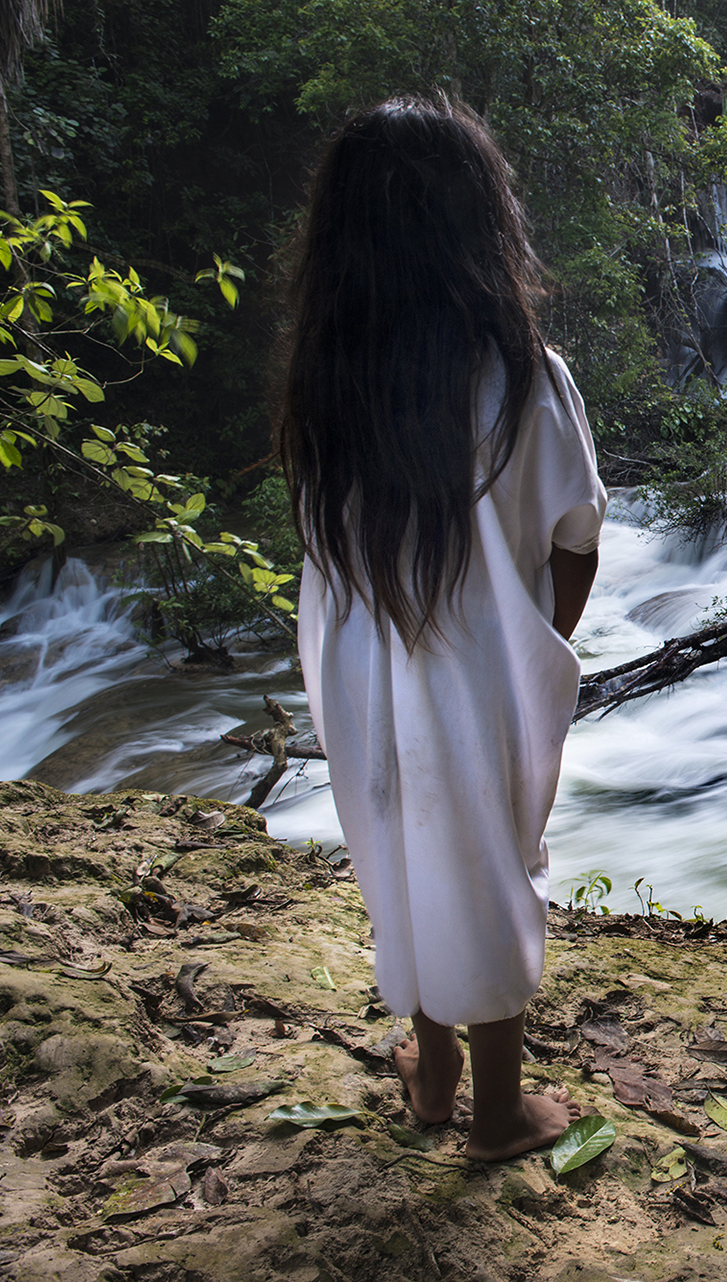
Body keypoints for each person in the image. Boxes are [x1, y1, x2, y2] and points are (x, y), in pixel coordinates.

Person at [277, 96, 608, 1163]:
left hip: (364, 671)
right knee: (491, 862)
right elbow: (576, 535)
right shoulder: (524, 380)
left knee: (407, 853)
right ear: (483, 227)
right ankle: (501, 1112)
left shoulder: (330, 388)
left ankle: (436, 1069)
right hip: (484, 678)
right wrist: (538, 650)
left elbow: (322, 547)